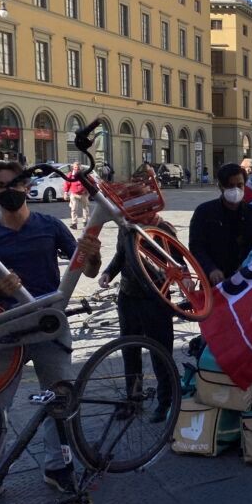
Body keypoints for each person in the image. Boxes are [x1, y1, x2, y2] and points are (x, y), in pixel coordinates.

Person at [0, 161, 101, 504]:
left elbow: (88, 270)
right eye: (1, 186)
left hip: (50, 324)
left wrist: (92, 256)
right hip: (8, 330)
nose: (9, 191)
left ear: (26, 186)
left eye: (15, 184)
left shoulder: (50, 226)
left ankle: (58, 467)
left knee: (61, 398)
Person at [98, 167, 177, 424]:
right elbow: (121, 256)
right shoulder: (127, 229)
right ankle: (132, 400)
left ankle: (165, 402)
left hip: (156, 300)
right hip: (128, 297)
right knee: (129, 350)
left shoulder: (163, 228)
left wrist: (172, 275)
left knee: (160, 352)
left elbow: (180, 263)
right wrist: (108, 273)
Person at [190, 163, 252, 284]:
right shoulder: (204, 212)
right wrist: (211, 269)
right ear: (221, 186)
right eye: (230, 186)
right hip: (214, 282)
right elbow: (196, 247)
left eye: (239, 185)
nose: (236, 190)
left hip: (247, 281)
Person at [65, 162, 89, 230]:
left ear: (80, 168)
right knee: (73, 209)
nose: (77, 169)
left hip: (83, 194)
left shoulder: (84, 174)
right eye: (75, 167)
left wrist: (88, 190)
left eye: (78, 168)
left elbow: (89, 182)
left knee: (85, 208)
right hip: (74, 194)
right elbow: (67, 183)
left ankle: (85, 222)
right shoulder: (70, 175)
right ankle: (74, 223)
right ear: (73, 168)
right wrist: (65, 192)